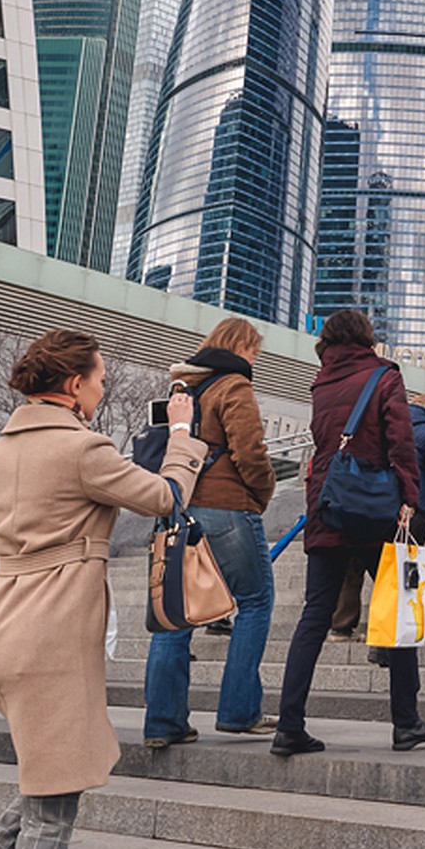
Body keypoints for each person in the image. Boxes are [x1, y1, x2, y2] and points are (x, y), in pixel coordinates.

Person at [0, 329, 206, 849]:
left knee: (49, 780)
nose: (103, 389)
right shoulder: (82, 449)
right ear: (75, 385)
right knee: (52, 814)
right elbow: (165, 498)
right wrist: (182, 434)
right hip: (50, 636)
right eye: (100, 380)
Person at [271, 309, 425, 756]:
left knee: (315, 616)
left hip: (328, 507)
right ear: (365, 336)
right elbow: (400, 440)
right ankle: (406, 722)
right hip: (373, 507)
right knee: (396, 608)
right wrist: (409, 494)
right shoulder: (383, 376)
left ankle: (289, 725)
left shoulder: (322, 382)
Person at [144, 317, 277, 747]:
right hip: (226, 508)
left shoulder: (182, 390)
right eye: (254, 352)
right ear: (241, 346)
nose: (254, 359)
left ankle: (164, 723)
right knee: (255, 601)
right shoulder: (233, 385)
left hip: (176, 508)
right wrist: (260, 493)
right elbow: (250, 450)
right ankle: (240, 711)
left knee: (174, 616)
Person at [329, 392, 425, 650]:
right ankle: (387, 638)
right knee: (398, 569)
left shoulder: (388, 423)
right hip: (416, 506)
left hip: (378, 501)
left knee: (356, 561)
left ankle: (341, 625)